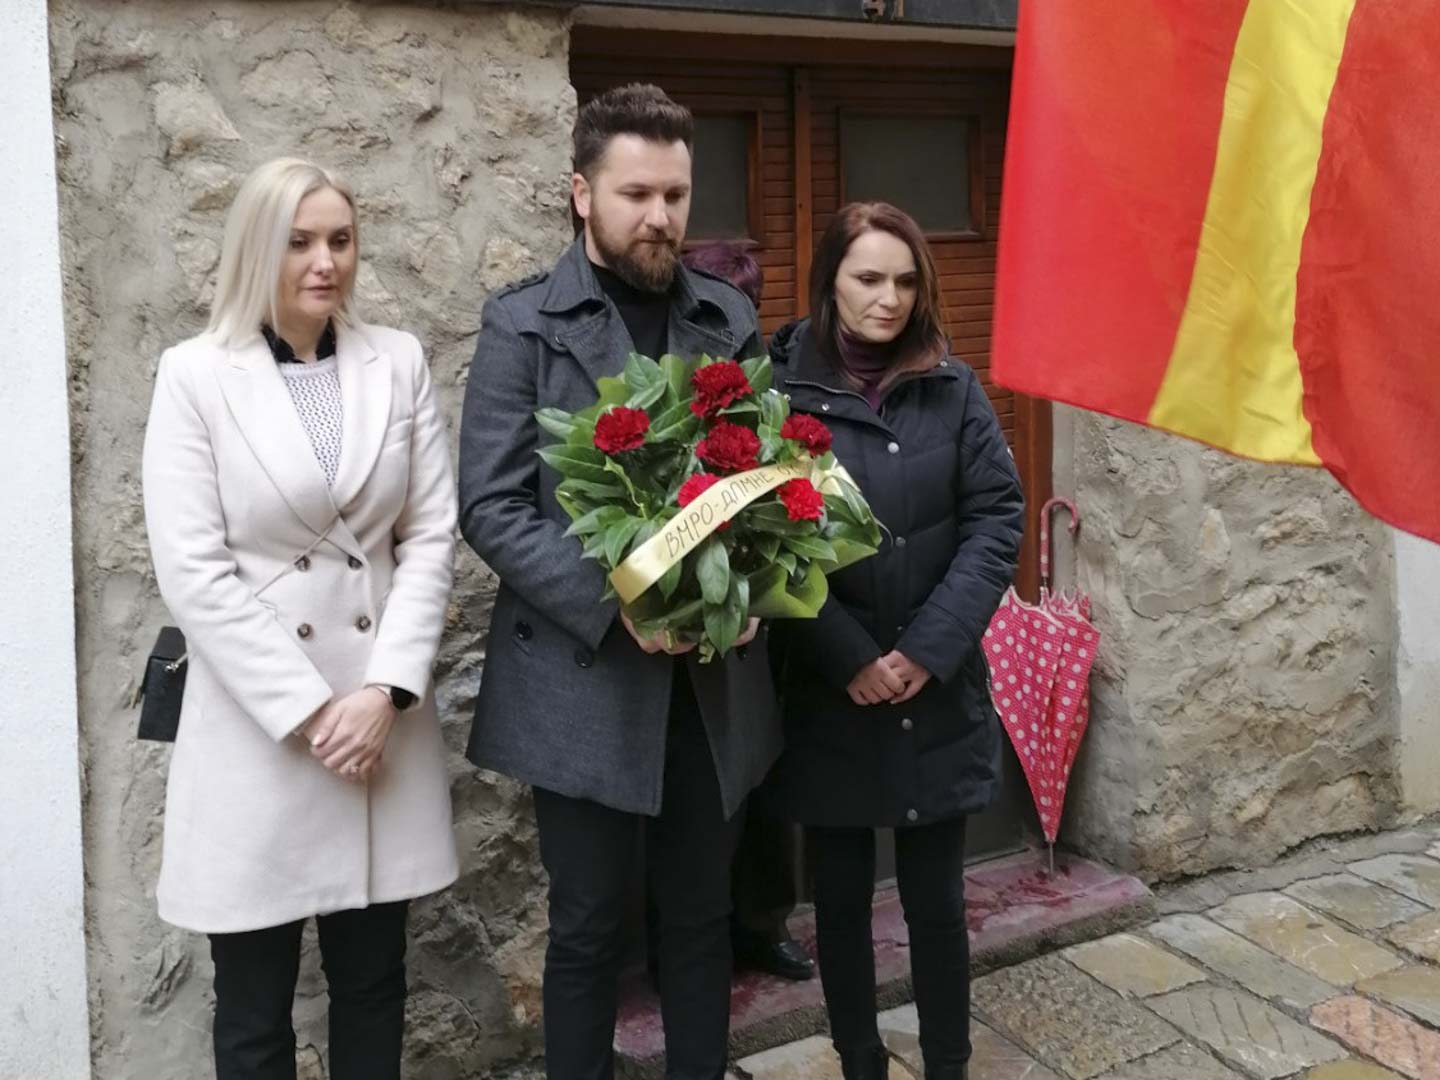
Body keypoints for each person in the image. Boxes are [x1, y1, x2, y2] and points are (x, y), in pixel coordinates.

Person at [458, 84, 783, 1080]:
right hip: (585, 674)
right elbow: (492, 505)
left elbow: (771, 487)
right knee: (589, 926)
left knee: (701, 918)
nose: (660, 217)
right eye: (636, 194)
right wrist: (622, 602)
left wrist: (748, 592)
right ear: (581, 195)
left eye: (675, 195)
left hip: (710, 685)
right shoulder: (523, 324)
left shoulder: (727, 317)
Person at [142, 157, 459, 1080]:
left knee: (374, 985)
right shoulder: (195, 375)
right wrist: (317, 713)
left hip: (380, 723)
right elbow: (194, 572)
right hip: (263, 727)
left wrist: (384, 693)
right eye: (300, 242)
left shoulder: (398, 360)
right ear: (258, 247)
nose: (326, 261)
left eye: (341, 240)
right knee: (253, 1010)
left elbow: (429, 537)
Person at [764, 202, 1024, 1080]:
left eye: (906, 281)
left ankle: (948, 1063)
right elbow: (763, 541)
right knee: (838, 902)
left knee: (937, 903)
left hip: (932, 689)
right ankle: (860, 1060)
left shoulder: (953, 388)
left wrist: (927, 650)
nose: (889, 299)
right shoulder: (778, 392)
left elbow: (996, 519)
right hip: (831, 690)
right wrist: (846, 654)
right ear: (830, 280)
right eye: (869, 278)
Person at [650, 242, 813, 984]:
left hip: (759, 626)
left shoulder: (773, 371)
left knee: (762, 791)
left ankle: (763, 923)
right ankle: (685, 938)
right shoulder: (672, 385)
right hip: (683, 630)